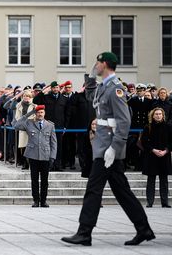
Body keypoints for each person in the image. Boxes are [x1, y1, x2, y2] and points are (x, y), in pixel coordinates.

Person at [62, 52, 154, 247]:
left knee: (93, 189)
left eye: (97, 62)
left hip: (108, 148)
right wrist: (91, 76)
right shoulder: (104, 86)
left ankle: (84, 232)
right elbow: (89, 96)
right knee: (122, 191)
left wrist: (114, 148)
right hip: (104, 146)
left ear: (105, 64)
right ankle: (143, 228)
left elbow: (124, 120)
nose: (95, 64)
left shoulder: (116, 89)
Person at [12, 105, 57, 207]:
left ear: (44, 113)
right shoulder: (29, 123)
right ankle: (36, 200)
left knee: (45, 180)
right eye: (38, 112)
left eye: (41, 112)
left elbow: (54, 143)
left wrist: (52, 156)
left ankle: (43, 200)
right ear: (35, 113)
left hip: (46, 155)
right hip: (33, 155)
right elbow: (16, 125)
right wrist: (29, 113)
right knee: (34, 179)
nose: (39, 114)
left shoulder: (50, 125)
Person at [140, 108, 171, 208]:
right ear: (152, 116)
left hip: (164, 156)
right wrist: (153, 150)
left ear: (163, 115)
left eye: (160, 114)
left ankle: (165, 202)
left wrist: (166, 151)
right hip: (151, 156)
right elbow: (144, 142)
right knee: (151, 180)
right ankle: (150, 202)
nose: (158, 115)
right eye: (156, 114)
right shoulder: (148, 127)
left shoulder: (168, 127)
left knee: (164, 180)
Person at [34, 81, 67, 171]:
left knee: (58, 146)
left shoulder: (63, 99)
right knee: (47, 146)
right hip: (47, 126)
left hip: (59, 126)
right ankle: (49, 165)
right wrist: (43, 91)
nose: (55, 89)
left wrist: (65, 126)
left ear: (59, 88)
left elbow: (67, 113)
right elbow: (35, 100)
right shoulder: (45, 97)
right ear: (51, 88)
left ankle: (58, 165)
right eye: (53, 88)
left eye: (57, 87)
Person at [127, 83, 152, 171]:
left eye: (141, 91)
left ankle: (143, 164)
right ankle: (136, 164)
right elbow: (125, 102)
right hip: (135, 126)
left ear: (144, 91)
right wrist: (129, 95)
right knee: (134, 145)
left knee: (144, 145)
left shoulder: (148, 101)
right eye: (138, 91)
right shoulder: (133, 100)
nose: (139, 92)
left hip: (144, 126)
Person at [12, 90, 36, 169]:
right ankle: (25, 163)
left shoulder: (34, 106)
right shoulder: (19, 105)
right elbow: (17, 116)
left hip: (31, 127)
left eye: (28, 96)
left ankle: (31, 163)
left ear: (31, 97)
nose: (26, 97)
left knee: (31, 146)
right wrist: (21, 122)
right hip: (22, 127)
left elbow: (36, 116)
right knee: (23, 146)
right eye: (25, 96)